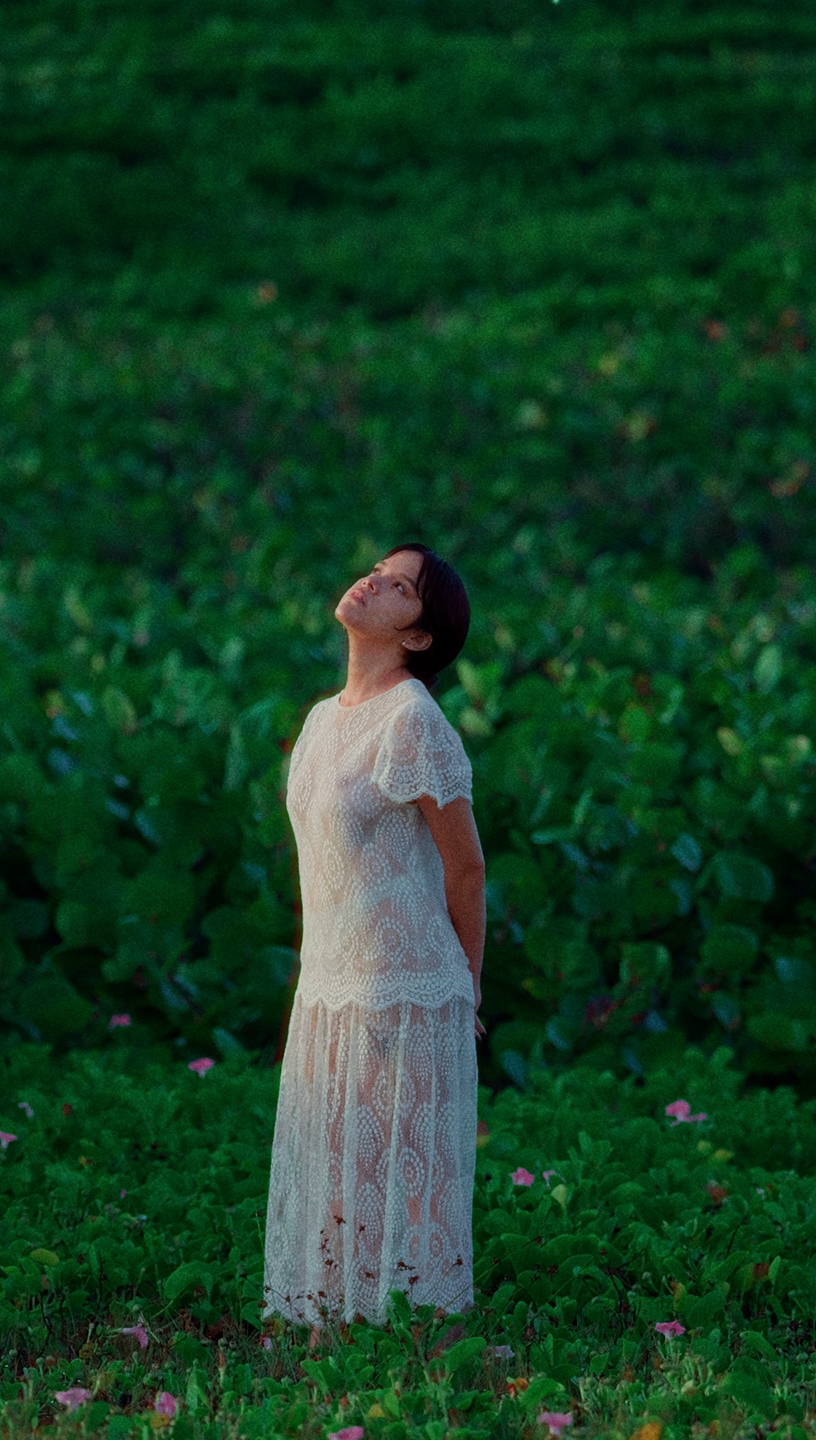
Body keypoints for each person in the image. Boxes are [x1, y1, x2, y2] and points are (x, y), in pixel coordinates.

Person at [261, 543, 485, 1331]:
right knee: (334, 1171)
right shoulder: (323, 719)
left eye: (400, 587)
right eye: (379, 571)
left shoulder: (414, 721)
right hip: (329, 985)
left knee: (408, 1186)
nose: (373, 582)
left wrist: (467, 986)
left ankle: (424, 1348)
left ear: (418, 636)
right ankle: (334, 1340)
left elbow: (466, 868)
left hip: (407, 990)